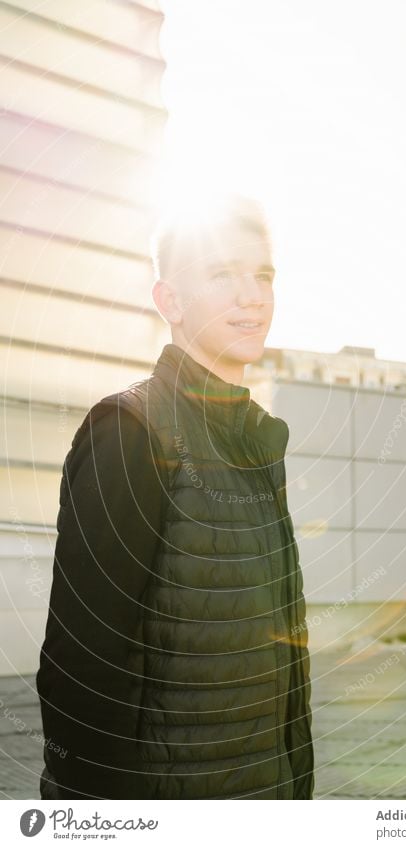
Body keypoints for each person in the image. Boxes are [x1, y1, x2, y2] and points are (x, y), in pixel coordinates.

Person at [36, 191, 315, 800]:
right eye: (223, 275)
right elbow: (81, 668)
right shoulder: (130, 431)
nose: (253, 296)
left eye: (262, 275)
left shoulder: (256, 444)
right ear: (171, 301)